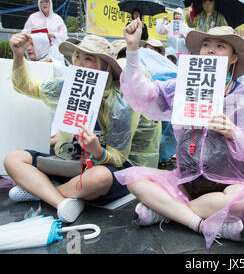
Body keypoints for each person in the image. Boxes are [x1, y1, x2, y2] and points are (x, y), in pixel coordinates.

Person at [118, 22, 244, 248]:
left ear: (233, 58)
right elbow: (143, 93)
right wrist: (132, 50)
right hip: (184, 180)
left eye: (220, 46)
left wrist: (234, 132)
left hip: (228, 184)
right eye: (206, 45)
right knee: (134, 179)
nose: (210, 49)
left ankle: (166, 211)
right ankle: (203, 223)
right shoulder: (182, 87)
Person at [4, 34, 161, 223]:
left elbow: (118, 158)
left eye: (88, 59)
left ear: (106, 67)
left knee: (99, 178)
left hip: (107, 168)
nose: (79, 63)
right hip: (72, 161)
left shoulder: (120, 101)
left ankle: (39, 190)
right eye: (77, 56)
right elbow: (27, 86)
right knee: (13, 159)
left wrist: (97, 151)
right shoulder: (69, 86)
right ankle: (62, 200)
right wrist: (18, 55)